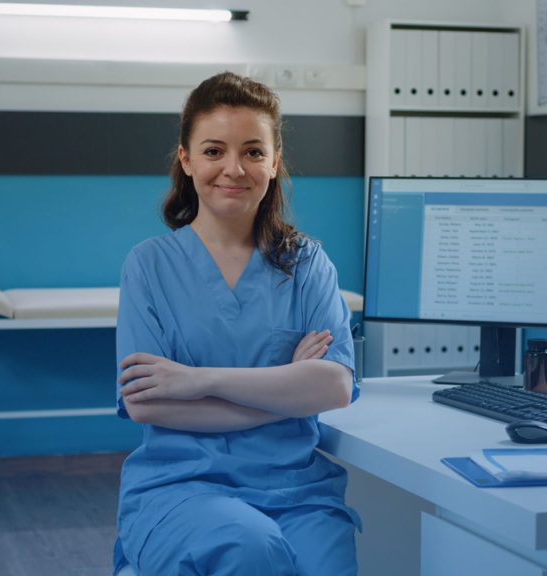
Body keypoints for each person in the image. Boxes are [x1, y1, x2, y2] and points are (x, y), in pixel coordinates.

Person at [113, 71, 361, 576]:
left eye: (252, 151)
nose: (234, 168)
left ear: (273, 162)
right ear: (185, 159)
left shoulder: (306, 263)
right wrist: (284, 392)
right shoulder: (149, 265)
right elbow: (147, 403)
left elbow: (334, 386)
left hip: (298, 490)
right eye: (213, 151)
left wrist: (200, 380)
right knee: (249, 547)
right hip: (183, 488)